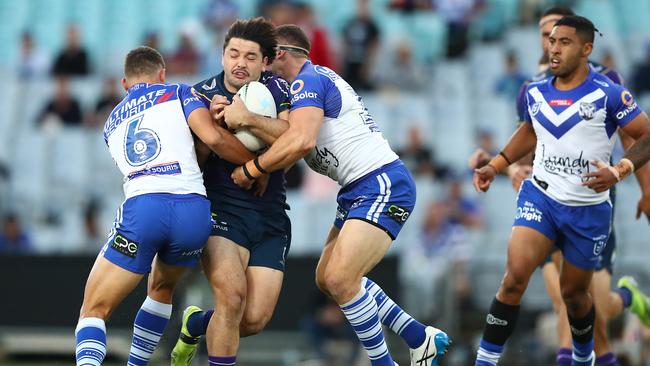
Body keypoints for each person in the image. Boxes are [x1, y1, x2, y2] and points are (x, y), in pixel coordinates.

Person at [228, 24, 451, 366]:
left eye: (268, 57)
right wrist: (267, 165)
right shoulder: (309, 83)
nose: (264, 66)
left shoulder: (308, 79)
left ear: (282, 54)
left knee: (340, 278)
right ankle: (418, 336)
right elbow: (294, 139)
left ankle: (383, 363)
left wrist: (253, 167)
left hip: (380, 182)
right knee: (327, 278)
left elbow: (300, 140)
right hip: (357, 189)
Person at [469, 6, 650, 366]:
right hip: (541, 198)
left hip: (589, 208)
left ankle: (584, 358)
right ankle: (485, 361)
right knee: (514, 279)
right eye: (550, 41)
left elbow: (644, 135)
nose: (553, 48)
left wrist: (623, 171)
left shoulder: (609, 92)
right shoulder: (534, 91)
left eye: (563, 42)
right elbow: (530, 130)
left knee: (577, 297)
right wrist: (496, 164)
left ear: (585, 49)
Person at [74, 46, 239, 366]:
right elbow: (210, 140)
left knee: (93, 310)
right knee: (162, 287)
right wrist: (254, 167)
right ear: (162, 74)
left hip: (145, 207)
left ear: (125, 84)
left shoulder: (110, 124)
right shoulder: (179, 91)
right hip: (193, 211)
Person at [169, 18, 293, 366]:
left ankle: (195, 322)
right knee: (232, 298)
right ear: (222, 56)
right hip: (221, 213)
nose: (241, 63)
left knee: (252, 320)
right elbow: (189, 165)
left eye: (251, 57)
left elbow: (294, 138)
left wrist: (248, 128)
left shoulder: (277, 89)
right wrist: (207, 132)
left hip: (270, 218)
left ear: (265, 62)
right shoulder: (199, 95)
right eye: (234, 53)